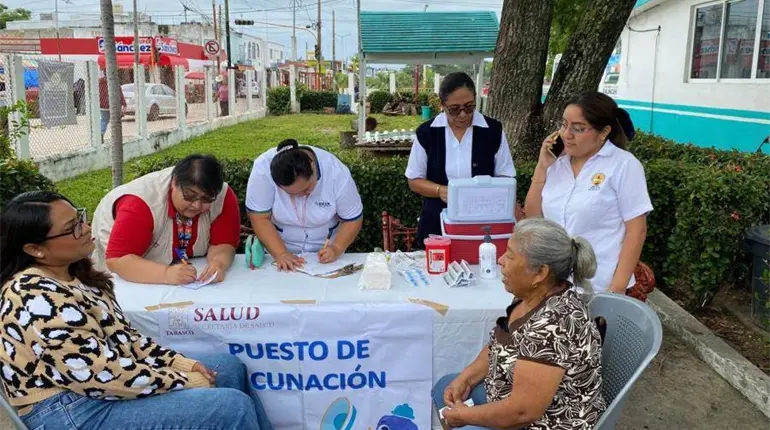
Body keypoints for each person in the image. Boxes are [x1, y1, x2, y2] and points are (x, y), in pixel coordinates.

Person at [0, 191, 273, 430]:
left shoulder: (75, 274)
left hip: (98, 385)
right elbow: (100, 376)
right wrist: (181, 380)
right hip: (69, 410)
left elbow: (126, 338)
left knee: (228, 368)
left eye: (80, 218)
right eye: (72, 227)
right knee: (230, 407)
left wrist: (180, 364)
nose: (85, 228)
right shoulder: (33, 295)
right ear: (35, 249)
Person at [433, 218, 605, 430]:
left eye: (510, 256)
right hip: (507, 398)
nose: (500, 260)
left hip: (548, 423)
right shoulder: (529, 296)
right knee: (446, 386)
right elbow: (500, 345)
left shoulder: (553, 324)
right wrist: (466, 378)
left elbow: (522, 412)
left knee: (460, 422)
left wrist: (466, 417)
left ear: (540, 273)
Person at [524, 92, 653, 298]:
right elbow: (533, 216)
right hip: (554, 283)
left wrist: (616, 290)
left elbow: (636, 231)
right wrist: (542, 166)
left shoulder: (623, 165)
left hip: (599, 287)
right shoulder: (557, 163)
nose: (567, 134)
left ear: (603, 132)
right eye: (564, 124)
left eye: (578, 128)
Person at [92, 154, 241, 285]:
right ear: (174, 183)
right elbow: (117, 261)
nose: (197, 205)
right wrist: (166, 274)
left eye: (206, 199)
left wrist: (218, 263)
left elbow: (224, 243)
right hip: (127, 272)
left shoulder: (222, 196)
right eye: (189, 196)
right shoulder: (139, 204)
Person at [405, 72, 515, 245]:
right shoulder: (427, 133)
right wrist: (441, 190)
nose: (463, 114)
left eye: (469, 107)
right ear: (442, 105)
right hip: (436, 222)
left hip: (483, 223)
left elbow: (506, 177)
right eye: (454, 109)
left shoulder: (493, 131)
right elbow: (414, 180)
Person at [246, 139, 363, 271]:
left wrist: (336, 248)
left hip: (327, 251)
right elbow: (260, 218)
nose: (303, 195)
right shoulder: (262, 171)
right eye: (292, 194)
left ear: (312, 165)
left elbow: (352, 219)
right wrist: (281, 254)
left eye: (307, 188)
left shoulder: (336, 172)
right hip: (278, 250)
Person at [99, 73, 126, 142]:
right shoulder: (115, 81)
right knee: (116, 122)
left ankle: (101, 134)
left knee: (104, 120)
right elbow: (120, 93)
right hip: (114, 104)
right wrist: (124, 104)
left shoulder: (99, 82)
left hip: (102, 105)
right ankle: (116, 137)